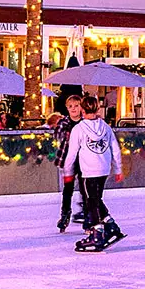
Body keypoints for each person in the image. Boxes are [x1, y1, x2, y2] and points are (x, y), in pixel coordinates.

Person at [64, 96, 125, 251]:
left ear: (83, 110)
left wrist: (68, 171)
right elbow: (115, 149)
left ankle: (97, 233)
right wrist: (118, 169)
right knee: (96, 199)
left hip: (89, 170)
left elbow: (71, 153)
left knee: (91, 201)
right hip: (104, 168)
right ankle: (111, 225)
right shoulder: (105, 126)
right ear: (98, 109)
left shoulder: (78, 129)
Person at [54, 91, 86, 230]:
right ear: (67, 108)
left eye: (76, 105)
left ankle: (88, 213)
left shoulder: (86, 122)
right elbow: (57, 136)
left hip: (84, 161)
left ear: (81, 107)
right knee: (68, 189)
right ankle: (65, 213)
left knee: (86, 188)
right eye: (71, 106)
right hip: (68, 161)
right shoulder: (64, 122)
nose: (73, 108)